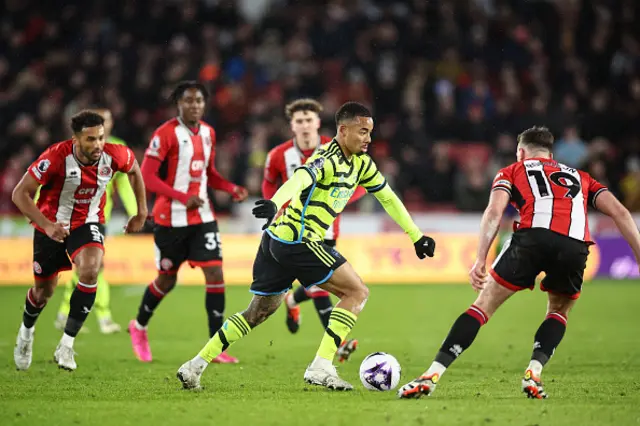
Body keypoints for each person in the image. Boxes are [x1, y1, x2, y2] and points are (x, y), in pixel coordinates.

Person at [176, 101, 436, 391]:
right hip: (300, 241)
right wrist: (275, 201)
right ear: (343, 130)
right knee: (356, 292)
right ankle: (321, 366)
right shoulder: (327, 158)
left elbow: (387, 197)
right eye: (363, 132)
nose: (368, 139)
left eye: (370, 132)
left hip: (275, 241)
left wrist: (416, 235)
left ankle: (194, 366)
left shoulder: (361, 164)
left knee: (257, 313)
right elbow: (301, 177)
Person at [399, 126, 640, 399]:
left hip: (531, 238)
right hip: (574, 244)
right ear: (551, 153)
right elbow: (620, 212)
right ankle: (534, 372)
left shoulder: (512, 171)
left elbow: (493, 212)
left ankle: (432, 374)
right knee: (559, 310)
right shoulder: (581, 177)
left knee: (482, 306)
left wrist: (480, 258)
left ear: (521, 152)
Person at [12, 111, 148, 371]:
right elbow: (20, 194)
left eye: (100, 138)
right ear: (75, 139)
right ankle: (26, 333)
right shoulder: (55, 157)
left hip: (88, 222)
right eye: (90, 139)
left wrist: (141, 212)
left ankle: (66, 344)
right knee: (43, 293)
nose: (97, 144)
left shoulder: (114, 153)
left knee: (90, 269)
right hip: (52, 225)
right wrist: (46, 225)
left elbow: (134, 170)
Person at [128, 81, 248, 364]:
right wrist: (182, 197)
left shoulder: (208, 133)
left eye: (198, 101)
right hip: (170, 219)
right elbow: (147, 177)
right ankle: (139, 326)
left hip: (203, 217)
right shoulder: (165, 134)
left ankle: (215, 346)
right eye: (188, 101)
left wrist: (230, 188)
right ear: (178, 104)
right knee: (166, 280)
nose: (194, 105)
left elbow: (210, 174)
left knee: (216, 275)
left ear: (204, 104)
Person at [263, 98, 365, 360]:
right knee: (321, 286)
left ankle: (293, 300)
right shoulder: (278, 155)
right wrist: (276, 210)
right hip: (294, 232)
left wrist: (338, 201)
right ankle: (338, 345)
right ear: (292, 126)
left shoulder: (339, 149)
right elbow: (268, 188)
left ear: (318, 123)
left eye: (309, 119)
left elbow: (362, 185)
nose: (305, 125)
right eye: (300, 121)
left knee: (320, 284)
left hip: (327, 230)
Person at [54, 107, 138, 334]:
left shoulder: (117, 148)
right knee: (94, 266)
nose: (106, 125)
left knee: (88, 267)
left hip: (100, 218)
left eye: (109, 121)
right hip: (75, 216)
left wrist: (135, 211)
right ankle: (103, 316)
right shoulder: (75, 149)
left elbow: (126, 184)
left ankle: (64, 313)